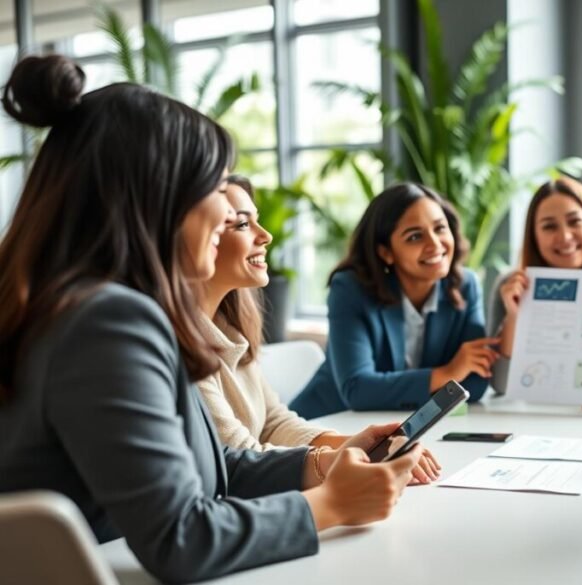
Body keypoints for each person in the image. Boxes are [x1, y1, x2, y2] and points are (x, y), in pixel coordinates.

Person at [0, 55, 422, 584]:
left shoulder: (93, 309)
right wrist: (332, 505)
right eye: (213, 189)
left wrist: (321, 466)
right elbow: (182, 538)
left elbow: (208, 466)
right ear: (156, 199)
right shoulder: (106, 322)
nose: (227, 214)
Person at [193, 175, 440, 483]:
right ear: (201, 236)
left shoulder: (230, 332)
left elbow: (273, 422)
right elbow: (237, 462)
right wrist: (332, 462)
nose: (266, 235)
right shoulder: (181, 347)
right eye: (242, 224)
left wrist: (351, 445)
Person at [289, 183, 497, 417]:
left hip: (400, 428)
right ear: (385, 252)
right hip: (322, 428)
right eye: (415, 237)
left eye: (440, 228)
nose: (435, 244)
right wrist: (446, 374)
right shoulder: (350, 289)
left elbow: (476, 383)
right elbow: (358, 389)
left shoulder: (464, 284)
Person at [488, 176, 582, 395]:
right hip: (534, 418)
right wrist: (514, 316)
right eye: (549, 226)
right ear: (534, 237)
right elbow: (501, 384)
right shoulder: (510, 286)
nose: (565, 236)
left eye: (575, 221)